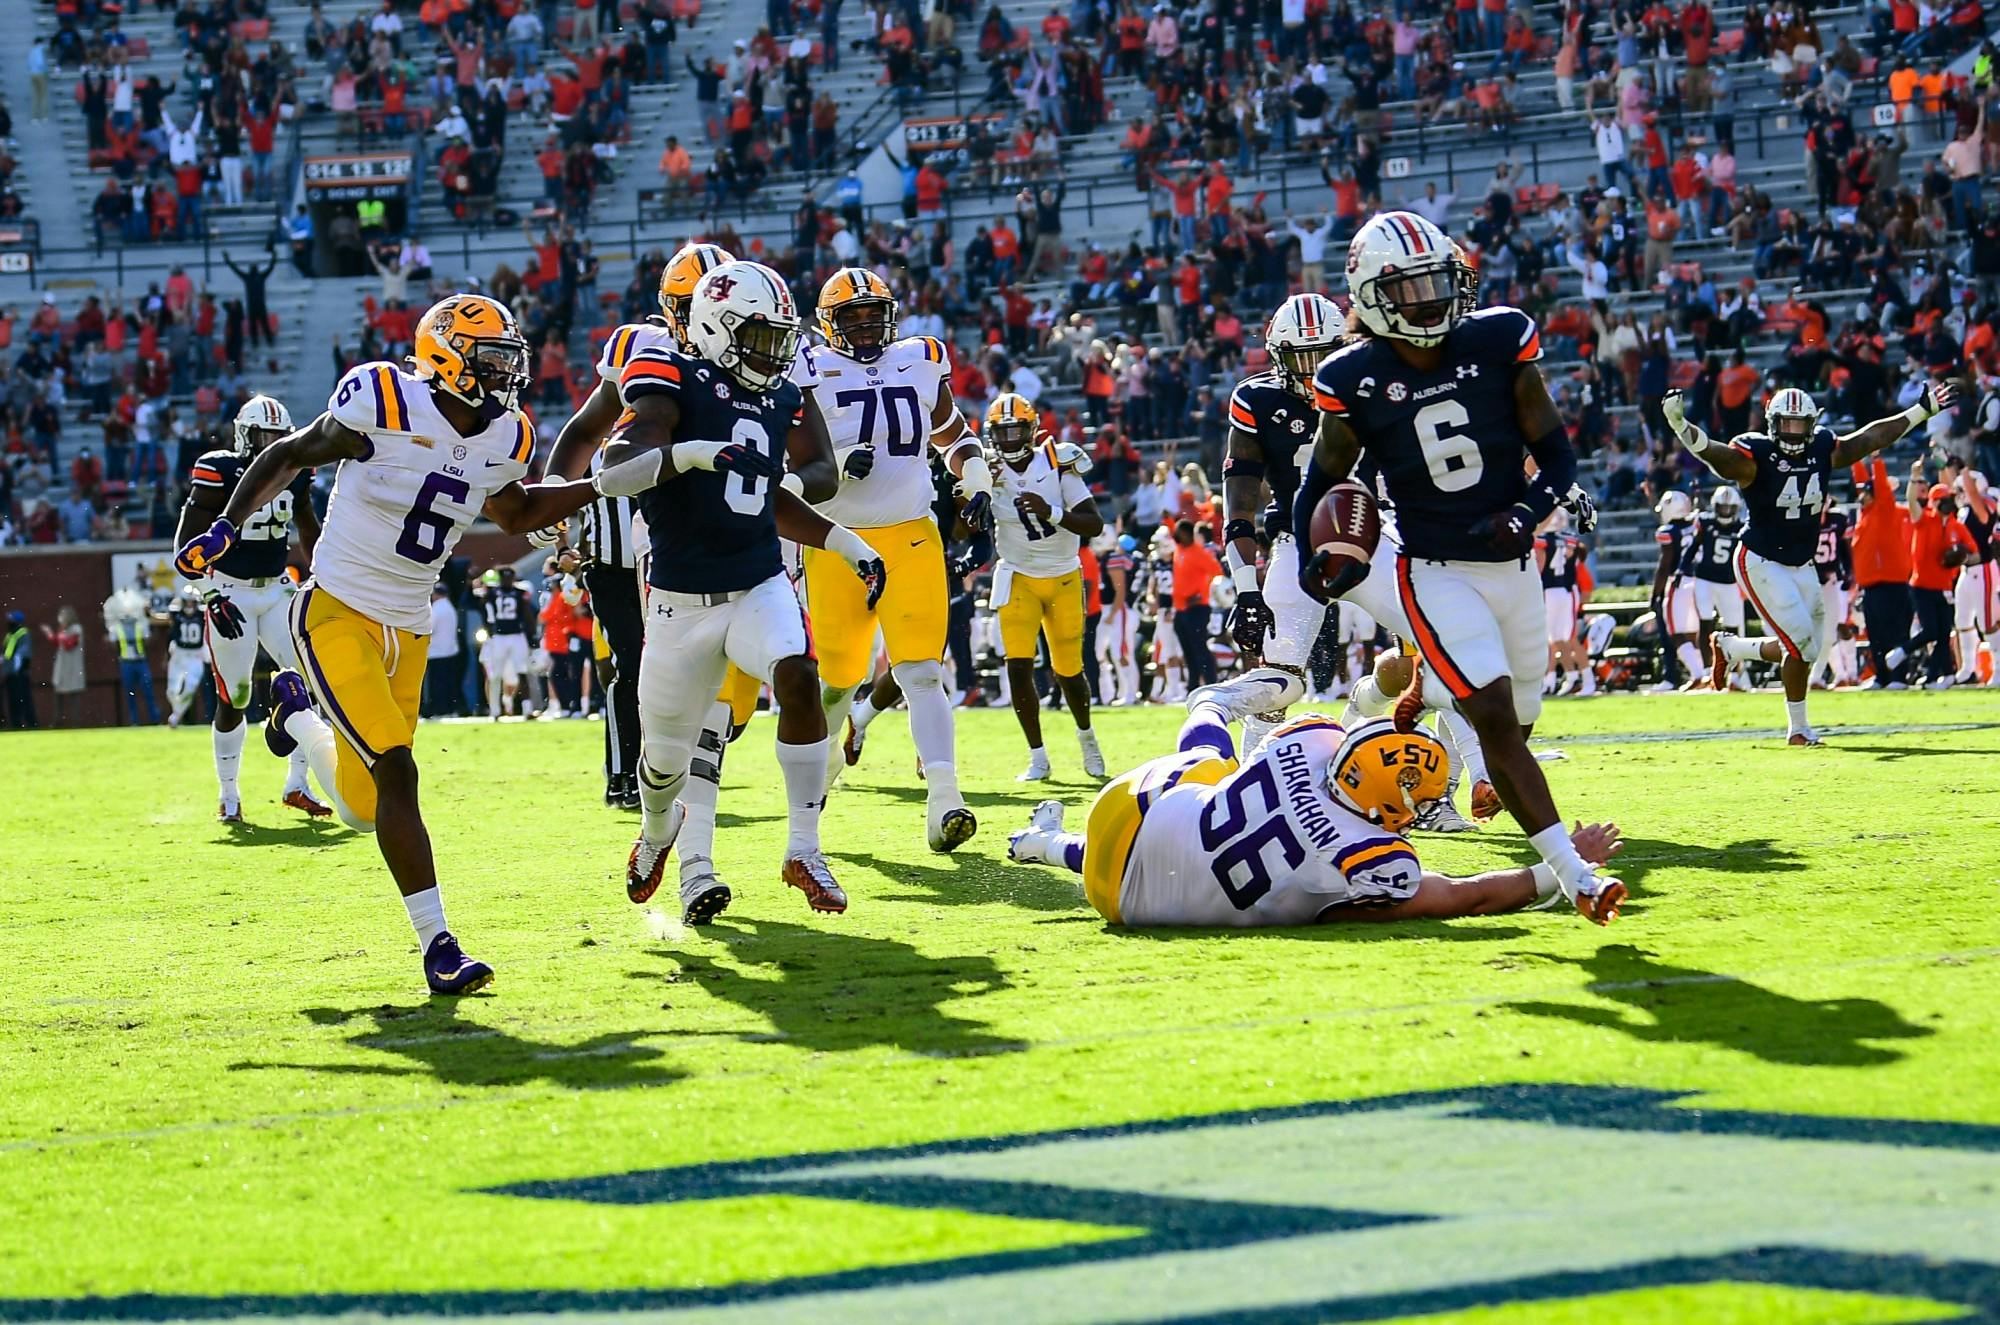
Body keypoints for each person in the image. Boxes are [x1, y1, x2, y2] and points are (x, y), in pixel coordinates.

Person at [175, 293, 606, 994]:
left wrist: (601, 485)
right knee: (398, 772)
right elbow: (289, 453)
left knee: (362, 804)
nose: (505, 374)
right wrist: (226, 525)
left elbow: (517, 511)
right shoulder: (383, 398)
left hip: (410, 626)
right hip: (336, 612)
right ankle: (440, 946)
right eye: (491, 359)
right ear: (446, 356)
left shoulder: (507, 435)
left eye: (508, 360)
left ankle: (294, 716)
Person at [1294, 210, 1622, 924]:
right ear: (1373, 297)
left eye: (1438, 281)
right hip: (1434, 568)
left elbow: (1558, 455)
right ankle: (1574, 874)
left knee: (1521, 717)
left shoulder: (1498, 338)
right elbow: (1320, 484)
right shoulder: (1351, 376)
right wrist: (1313, 560)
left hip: (1514, 564)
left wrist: (1527, 511)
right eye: (1410, 289)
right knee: (1494, 716)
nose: (1431, 300)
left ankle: (1451, 749)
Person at [595, 259, 884, 925]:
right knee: (662, 765)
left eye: (781, 337)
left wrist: (848, 544)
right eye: (760, 336)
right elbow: (613, 474)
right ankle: (659, 829)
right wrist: (691, 453)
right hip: (680, 603)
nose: (775, 352)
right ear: (717, 328)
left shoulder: (778, 396)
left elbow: (774, 493)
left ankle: (804, 849)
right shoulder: (671, 376)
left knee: (798, 673)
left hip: (757, 582)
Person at [1006, 679, 1624, 926]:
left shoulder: (1311, 740)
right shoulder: (1372, 857)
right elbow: (1469, 896)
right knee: (1207, 792)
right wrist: (1563, 868)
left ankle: (1040, 841)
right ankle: (1208, 703)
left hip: (1120, 813)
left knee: (1213, 776)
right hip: (1122, 904)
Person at [802, 268, 991, 854]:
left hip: (910, 534)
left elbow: (954, 435)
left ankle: (945, 798)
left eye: (872, 314)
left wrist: (976, 478)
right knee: (838, 683)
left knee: (922, 671)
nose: (864, 326)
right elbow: (789, 456)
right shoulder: (806, 367)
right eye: (851, 317)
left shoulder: (921, 358)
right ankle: (824, 765)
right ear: (828, 322)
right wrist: (835, 463)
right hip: (836, 540)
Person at [1663, 379, 1960, 739]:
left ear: (1811, 423)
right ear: (1772, 424)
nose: (1793, 431)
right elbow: (1718, 456)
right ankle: (1799, 729)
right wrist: (1681, 426)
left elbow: (1869, 439)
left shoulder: (1822, 447)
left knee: (1809, 648)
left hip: (1802, 563)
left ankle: (1733, 647)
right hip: (1761, 559)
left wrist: (1921, 410)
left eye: (1800, 423)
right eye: (1786, 423)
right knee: (1801, 642)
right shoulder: (1757, 456)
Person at [545, 242, 729, 813]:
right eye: (691, 303)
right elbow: (584, 432)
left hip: (717, 535)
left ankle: (675, 777)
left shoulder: (756, 354)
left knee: (717, 684)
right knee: (641, 667)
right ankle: (636, 779)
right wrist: (552, 498)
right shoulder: (638, 347)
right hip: (633, 544)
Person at [173, 395, 328, 822]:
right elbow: (184, 546)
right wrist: (209, 593)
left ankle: (298, 783)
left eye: (279, 436)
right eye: (264, 436)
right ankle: (229, 793)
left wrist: (324, 574)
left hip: (277, 588)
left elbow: (308, 527)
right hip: (230, 589)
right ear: (244, 436)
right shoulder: (220, 471)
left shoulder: (295, 471)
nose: (272, 443)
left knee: (309, 681)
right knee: (235, 696)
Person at [1221, 292, 1348, 750]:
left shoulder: (1368, 383)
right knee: (1277, 673)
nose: (1313, 371)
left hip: (1376, 532)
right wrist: (1246, 590)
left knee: (1427, 656)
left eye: (1323, 355)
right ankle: (1250, 769)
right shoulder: (1257, 400)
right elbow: (1240, 508)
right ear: (1278, 357)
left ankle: (1360, 723)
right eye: (1302, 358)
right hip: (1299, 539)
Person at [985, 391, 1106, 782]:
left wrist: (1051, 511)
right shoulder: (987, 470)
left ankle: (1087, 738)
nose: (1008, 440)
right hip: (1017, 576)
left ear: (1032, 429)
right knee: (1018, 668)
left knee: (1069, 670)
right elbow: (962, 527)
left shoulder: (1057, 462)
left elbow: (1094, 524)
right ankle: (1037, 756)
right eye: (1001, 432)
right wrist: (970, 497)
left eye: (1015, 430)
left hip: (1063, 576)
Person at [1906, 468, 1976, 687]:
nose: (1948, 503)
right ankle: (1904, 651)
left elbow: (1974, 553)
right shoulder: (1925, 520)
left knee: (1944, 634)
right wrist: (1914, 477)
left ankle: (1937, 676)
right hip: (1921, 585)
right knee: (1931, 631)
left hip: (1945, 587)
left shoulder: (1957, 526)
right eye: (1944, 499)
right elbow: (1911, 500)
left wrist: (1961, 556)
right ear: (1935, 501)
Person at [1684, 486, 1748, 689]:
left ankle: (1735, 677)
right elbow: (1694, 546)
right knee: (1705, 624)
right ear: (1715, 506)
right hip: (1705, 579)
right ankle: (1706, 672)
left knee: (1733, 630)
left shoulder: (1742, 528)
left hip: (1729, 583)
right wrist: (1682, 568)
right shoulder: (1706, 523)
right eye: (1722, 507)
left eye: (1730, 508)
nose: (1726, 512)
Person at [1948, 467, 1997, 685]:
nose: (1959, 493)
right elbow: (1954, 487)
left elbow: (1978, 506)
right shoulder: (1964, 509)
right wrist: (1948, 467)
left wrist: (1964, 472)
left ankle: (1998, 669)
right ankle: (1968, 669)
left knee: (1987, 622)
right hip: (1966, 571)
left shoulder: (1985, 505)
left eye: (1963, 489)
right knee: (1962, 621)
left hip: (1983, 569)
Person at [1537, 508, 1593, 696]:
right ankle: (1571, 677)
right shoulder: (1569, 541)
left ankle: (1585, 679)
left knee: (1566, 639)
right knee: (1558, 640)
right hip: (1565, 590)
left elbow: (1539, 566)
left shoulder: (1543, 541)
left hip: (1551, 591)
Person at [472, 566, 533, 716]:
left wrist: (531, 634)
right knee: (495, 675)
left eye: (509, 578)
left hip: (516, 635)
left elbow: (527, 614)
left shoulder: (519, 593)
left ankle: (527, 708)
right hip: (498, 637)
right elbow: (475, 599)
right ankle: (495, 710)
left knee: (522, 671)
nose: (507, 580)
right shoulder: (492, 593)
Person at [157, 583, 211, 726]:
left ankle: (175, 717)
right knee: (171, 691)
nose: (189, 605)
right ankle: (177, 711)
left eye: (192, 602)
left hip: (196, 656)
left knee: (190, 689)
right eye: (187, 601)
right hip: (179, 655)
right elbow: (162, 620)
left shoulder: (203, 614)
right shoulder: (175, 614)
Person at [423, 583, 465, 718]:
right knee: (449, 682)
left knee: (437, 684)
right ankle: (451, 709)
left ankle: (440, 710)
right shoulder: (450, 607)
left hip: (436, 652)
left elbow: (430, 628)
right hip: (451, 650)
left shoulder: (436, 608)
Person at [2, 611, 34, 729]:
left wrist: (16, 668)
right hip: (10, 673)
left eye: (11, 619)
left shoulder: (22, 633)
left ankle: (31, 723)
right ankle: (16, 723)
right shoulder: (10, 635)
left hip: (20, 673)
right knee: (13, 699)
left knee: (23, 699)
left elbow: (23, 653)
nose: (9, 621)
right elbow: (6, 653)